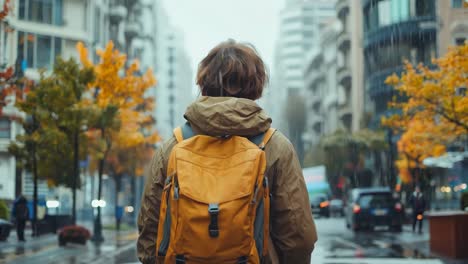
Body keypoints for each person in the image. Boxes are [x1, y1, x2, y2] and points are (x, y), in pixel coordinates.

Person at [137, 40, 317, 264]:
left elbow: (149, 232)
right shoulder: (276, 146)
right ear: (256, 85)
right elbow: (299, 237)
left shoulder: (174, 145)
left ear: (204, 82)